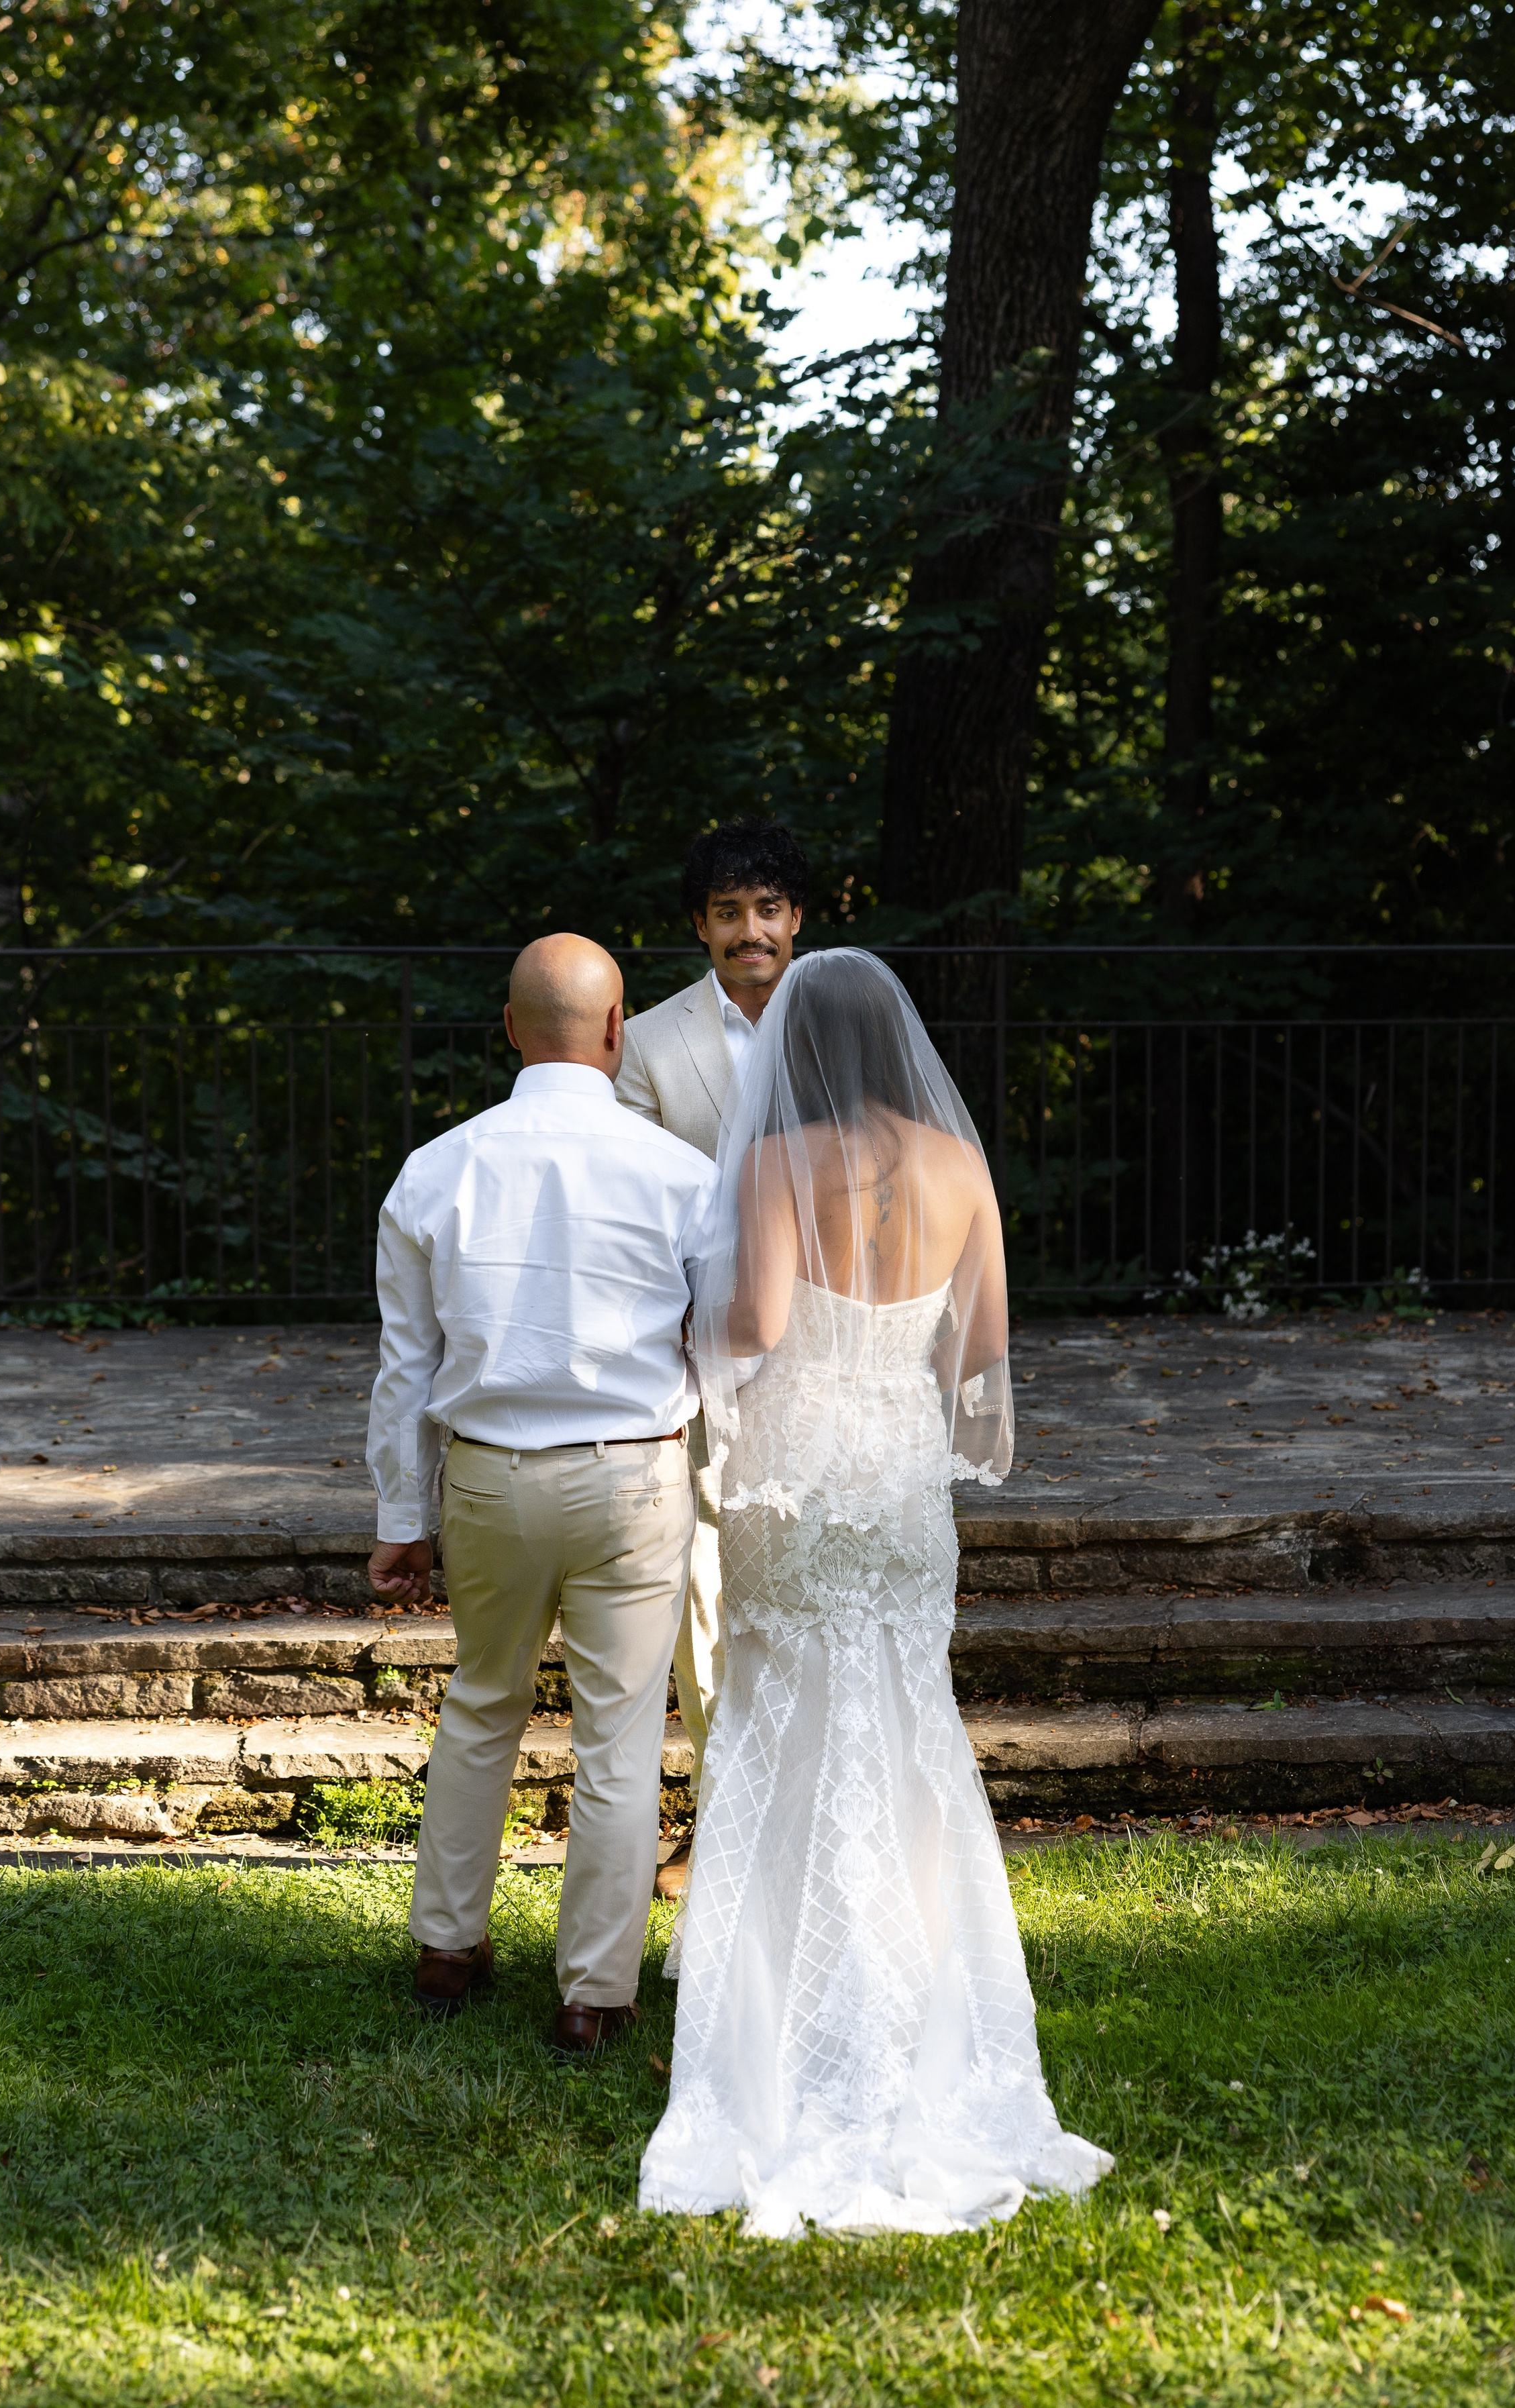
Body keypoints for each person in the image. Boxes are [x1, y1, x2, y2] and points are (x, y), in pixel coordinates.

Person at [637, 950, 1113, 2232]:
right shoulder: (961, 1167)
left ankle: (787, 2008)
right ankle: (916, 1996)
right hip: (899, 1473)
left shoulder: (774, 1164)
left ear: (797, 1046)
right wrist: (896, 1359)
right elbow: (983, 1347)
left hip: (798, 1472)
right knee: (907, 1720)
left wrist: (689, 1333)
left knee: (779, 1715)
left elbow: (758, 1327)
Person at [365, 934, 714, 2055]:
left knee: (481, 1702)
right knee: (620, 1735)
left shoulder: (436, 1168)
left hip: (488, 1475)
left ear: (511, 1028)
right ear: (617, 1030)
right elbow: (722, 1345)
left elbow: (405, 1369)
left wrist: (401, 1518)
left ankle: (446, 1946)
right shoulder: (682, 1174)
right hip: (633, 1473)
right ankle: (593, 1995)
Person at [617, 819, 806, 1893]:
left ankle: (814, 1815)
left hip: (826, 1355)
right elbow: (635, 1212)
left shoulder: (842, 1028)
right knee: (705, 1596)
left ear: (797, 917)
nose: (750, 931)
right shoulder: (648, 1044)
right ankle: (727, 1821)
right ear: (700, 925)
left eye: (767, 908)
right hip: (699, 1355)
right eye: (728, 912)